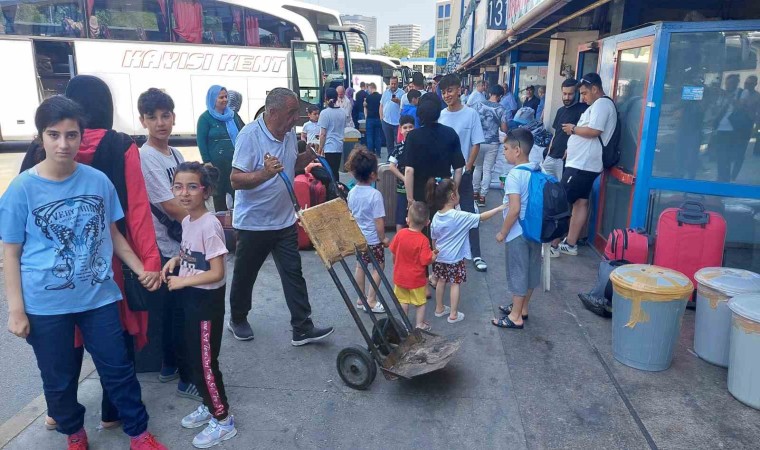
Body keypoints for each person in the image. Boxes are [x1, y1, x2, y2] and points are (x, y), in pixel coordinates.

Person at [2, 96, 166, 450]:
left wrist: (140, 269)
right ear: (40, 138)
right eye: (54, 134)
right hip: (45, 304)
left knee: (119, 369)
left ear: (81, 136)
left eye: (71, 135)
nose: (64, 144)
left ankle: (139, 434)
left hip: (99, 298)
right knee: (58, 380)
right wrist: (16, 310)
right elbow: (11, 254)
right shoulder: (21, 190)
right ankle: (74, 434)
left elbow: (114, 235)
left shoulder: (97, 181)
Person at [228, 87, 334, 344]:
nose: (295, 119)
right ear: (272, 112)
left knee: (293, 274)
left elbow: (289, 166)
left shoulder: (287, 134)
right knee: (246, 274)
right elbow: (235, 180)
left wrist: (304, 159)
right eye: (291, 113)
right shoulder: (250, 136)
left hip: (284, 219)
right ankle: (238, 318)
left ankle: (302, 327)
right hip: (254, 222)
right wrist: (264, 174)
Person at [161, 162, 237, 448]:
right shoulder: (188, 221)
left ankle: (222, 418)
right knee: (194, 358)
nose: (184, 193)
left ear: (205, 191)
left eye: (192, 187)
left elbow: (217, 271)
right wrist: (176, 261)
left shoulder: (209, 224)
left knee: (206, 363)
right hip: (191, 300)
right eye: (178, 187)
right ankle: (208, 404)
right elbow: (193, 254)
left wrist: (182, 282)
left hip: (206, 303)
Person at [137, 88, 201, 400]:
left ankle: (169, 367)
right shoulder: (145, 157)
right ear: (143, 121)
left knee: (179, 310)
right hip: (165, 246)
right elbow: (172, 206)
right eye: (153, 117)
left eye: (165, 115)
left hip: (181, 243)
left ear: (174, 117)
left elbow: (187, 193)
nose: (160, 122)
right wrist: (204, 216)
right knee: (178, 313)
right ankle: (181, 376)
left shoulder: (175, 155)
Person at [553, 73, 616, 256]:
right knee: (581, 202)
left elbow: (594, 130)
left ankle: (553, 245)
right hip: (583, 162)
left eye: (585, 93)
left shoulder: (602, 104)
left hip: (582, 164)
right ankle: (570, 243)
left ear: (595, 89)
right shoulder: (597, 105)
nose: (583, 97)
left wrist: (573, 129)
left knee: (562, 202)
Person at [427, 178, 505, 324]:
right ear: (452, 196)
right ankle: (453, 314)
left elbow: (434, 239)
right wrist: (499, 208)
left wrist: (435, 252)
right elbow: (482, 217)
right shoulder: (459, 216)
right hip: (455, 259)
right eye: (457, 191)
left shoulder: (436, 216)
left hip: (440, 256)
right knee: (455, 284)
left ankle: (439, 309)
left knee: (441, 281)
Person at [438, 73, 488, 273]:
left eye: (449, 90)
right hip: (444, 174)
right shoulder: (441, 115)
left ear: (459, 90)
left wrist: (468, 168)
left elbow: (476, 143)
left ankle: (476, 254)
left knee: (469, 212)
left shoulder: (471, 114)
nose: (446, 95)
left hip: (464, 174)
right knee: (443, 213)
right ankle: (444, 253)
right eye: (443, 92)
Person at [493, 128, 541, 329]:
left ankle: (515, 317)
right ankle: (523, 307)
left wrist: (503, 232)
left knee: (518, 271)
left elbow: (514, 209)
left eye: (505, 148)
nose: (503, 152)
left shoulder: (515, 175)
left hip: (518, 232)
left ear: (517, 150)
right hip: (536, 230)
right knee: (530, 270)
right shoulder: (539, 169)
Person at [346, 147, 389, 313]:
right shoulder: (374, 195)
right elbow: (378, 221)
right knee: (379, 266)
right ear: (372, 175)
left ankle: (360, 298)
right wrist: (383, 238)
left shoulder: (352, 193)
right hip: (373, 240)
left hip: (359, 237)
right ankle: (371, 299)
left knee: (360, 266)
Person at [403, 94, 465, 205]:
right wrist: (454, 191)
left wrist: (410, 199)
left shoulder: (413, 136)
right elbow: (458, 169)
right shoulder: (450, 133)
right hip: (443, 191)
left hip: (419, 194)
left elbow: (409, 170)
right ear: (439, 112)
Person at [390, 201, 438, 331]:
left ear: (407, 219)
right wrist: (433, 256)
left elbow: (393, 252)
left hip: (400, 276)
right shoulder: (423, 240)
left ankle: (404, 325)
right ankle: (419, 324)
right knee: (420, 303)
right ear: (427, 223)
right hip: (416, 279)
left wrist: (395, 263)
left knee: (403, 301)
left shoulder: (400, 234)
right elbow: (425, 260)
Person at [196, 85, 244, 212]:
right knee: (218, 195)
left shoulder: (233, 116)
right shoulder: (205, 118)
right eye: (221, 97)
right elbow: (201, 141)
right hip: (216, 166)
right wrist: (206, 161)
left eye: (226, 97)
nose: (225, 100)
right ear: (212, 99)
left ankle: (237, 222)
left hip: (234, 163)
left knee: (237, 193)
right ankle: (222, 225)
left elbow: (242, 135)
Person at [543, 79, 588, 186]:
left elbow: (587, 133)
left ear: (577, 93)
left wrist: (571, 149)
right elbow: (555, 133)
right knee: (545, 187)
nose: (567, 97)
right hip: (551, 156)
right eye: (564, 94)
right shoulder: (560, 110)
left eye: (570, 94)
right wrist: (549, 150)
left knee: (561, 191)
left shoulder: (584, 110)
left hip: (565, 160)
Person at [471, 84, 509, 207]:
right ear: (500, 96)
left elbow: (473, 121)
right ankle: (482, 197)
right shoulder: (502, 109)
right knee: (487, 170)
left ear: (490, 93)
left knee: (477, 168)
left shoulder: (479, 105)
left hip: (478, 142)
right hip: (493, 143)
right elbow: (503, 128)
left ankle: (474, 193)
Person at [389, 115, 416, 231]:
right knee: (400, 215)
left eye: (411, 127)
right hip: (402, 188)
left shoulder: (418, 146)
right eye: (405, 127)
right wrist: (404, 178)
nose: (408, 130)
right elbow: (391, 166)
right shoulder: (399, 147)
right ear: (400, 130)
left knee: (416, 215)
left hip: (417, 187)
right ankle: (399, 240)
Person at [318, 87, 346, 181]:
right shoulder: (342, 112)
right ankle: (337, 190)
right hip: (339, 145)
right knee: (335, 171)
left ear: (325, 98)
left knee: (329, 172)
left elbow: (323, 134)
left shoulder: (324, 113)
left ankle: (332, 192)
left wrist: (320, 149)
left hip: (329, 146)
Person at [380, 76, 404, 154]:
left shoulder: (402, 93)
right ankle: (389, 158)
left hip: (397, 123)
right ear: (389, 83)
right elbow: (381, 105)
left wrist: (398, 101)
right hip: (386, 121)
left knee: (398, 142)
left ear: (397, 84)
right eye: (392, 84)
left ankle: (398, 158)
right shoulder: (386, 92)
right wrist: (381, 117)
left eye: (395, 84)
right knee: (389, 143)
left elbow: (404, 106)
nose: (393, 85)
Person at [365, 82, 383, 157]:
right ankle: (378, 153)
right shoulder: (380, 96)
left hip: (370, 118)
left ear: (371, 88)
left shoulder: (368, 97)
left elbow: (365, 106)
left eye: (368, 88)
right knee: (377, 136)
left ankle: (370, 153)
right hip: (378, 118)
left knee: (369, 136)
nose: (368, 90)